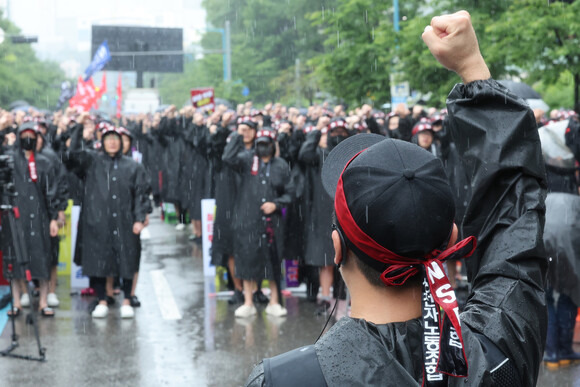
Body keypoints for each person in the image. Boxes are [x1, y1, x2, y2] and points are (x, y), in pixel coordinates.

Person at [246, 11, 547, 386]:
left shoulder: (284, 380)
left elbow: (513, 215)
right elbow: (514, 220)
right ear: (451, 240)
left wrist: (472, 69)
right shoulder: (501, 349)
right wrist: (472, 66)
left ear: (337, 247)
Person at [68, 119, 150, 319]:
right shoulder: (92, 161)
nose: (112, 142)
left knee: (127, 260)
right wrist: (79, 128)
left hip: (125, 221)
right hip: (97, 222)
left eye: (116, 139)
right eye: (108, 139)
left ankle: (127, 300)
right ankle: (102, 299)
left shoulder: (133, 167)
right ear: (102, 141)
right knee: (98, 261)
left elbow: (141, 194)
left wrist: (139, 219)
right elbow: (72, 156)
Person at [223, 128, 295, 318]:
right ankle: (248, 302)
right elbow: (227, 158)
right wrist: (238, 135)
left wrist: (276, 204)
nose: (263, 147)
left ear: (273, 145)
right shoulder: (247, 160)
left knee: (272, 261)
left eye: (267, 144)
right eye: (260, 143)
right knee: (247, 259)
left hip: (273, 223)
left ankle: (274, 301)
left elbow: (291, 192)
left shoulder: (281, 165)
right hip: (247, 221)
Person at [2, 122, 60, 317]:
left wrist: (53, 217)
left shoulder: (45, 161)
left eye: (31, 136)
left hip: (40, 217)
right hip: (16, 215)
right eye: (24, 135)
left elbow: (51, 192)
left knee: (42, 258)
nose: (28, 139)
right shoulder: (10, 159)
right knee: (16, 259)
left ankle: (43, 302)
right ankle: (17, 302)